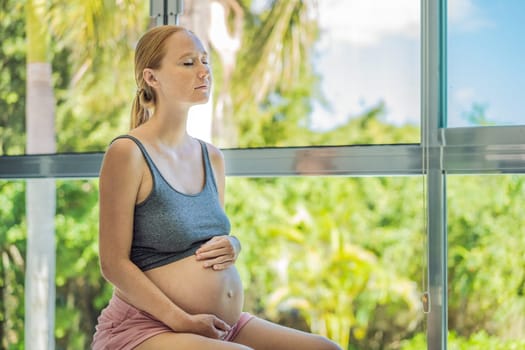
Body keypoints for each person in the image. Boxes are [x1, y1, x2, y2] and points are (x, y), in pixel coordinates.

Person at [91, 25, 342, 350]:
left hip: (221, 325)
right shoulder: (127, 153)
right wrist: (182, 320)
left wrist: (233, 244)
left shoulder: (212, 157)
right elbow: (113, 263)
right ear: (151, 77)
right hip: (147, 326)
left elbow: (211, 234)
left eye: (205, 61)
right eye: (188, 63)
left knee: (326, 349)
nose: (204, 71)